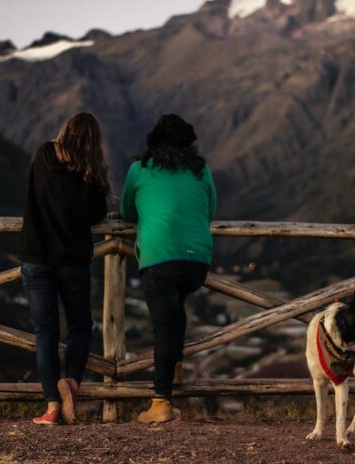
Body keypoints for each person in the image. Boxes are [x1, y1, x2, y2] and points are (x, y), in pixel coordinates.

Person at [120, 114, 217, 423]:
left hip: (159, 258)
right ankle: (175, 367)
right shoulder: (202, 172)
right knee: (175, 313)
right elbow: (209, 210)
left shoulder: (139, 170)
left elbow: (126, 212)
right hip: (196, 261)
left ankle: (161, 402)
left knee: (163, 327)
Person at [19, 112, 111, 425]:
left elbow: (31, 191)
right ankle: (71, 383)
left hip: (37, 258)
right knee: (80, 326)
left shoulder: (43, 155)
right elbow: (97, 215)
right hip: (73, 261)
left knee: (45, 332)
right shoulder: (92, 173)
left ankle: (52, 408)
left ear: (65, 131)